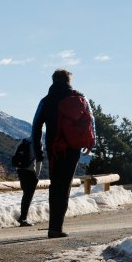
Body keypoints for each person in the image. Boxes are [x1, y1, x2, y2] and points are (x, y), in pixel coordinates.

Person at [32, 69, 94, 238]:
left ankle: (54, 227)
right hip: (73, 148)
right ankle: (57, 227)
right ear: (69, 80)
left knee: (56, 185)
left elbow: (36, 126)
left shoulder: (46, 101)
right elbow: (91, 120)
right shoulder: (79, 97)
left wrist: (38, 152)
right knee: (65, 185)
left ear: (53, 81)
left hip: (54, 148)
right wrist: (90, 142)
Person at [16, 138, 42, 227]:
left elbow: (17, 155)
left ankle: (22, 217)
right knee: (28, 196)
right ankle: (23, 219)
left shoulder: (24, 140)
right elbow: (39, 161)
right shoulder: (38, 142)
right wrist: (37, 176)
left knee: (25, 195)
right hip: (30, 172)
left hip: (20, 171)